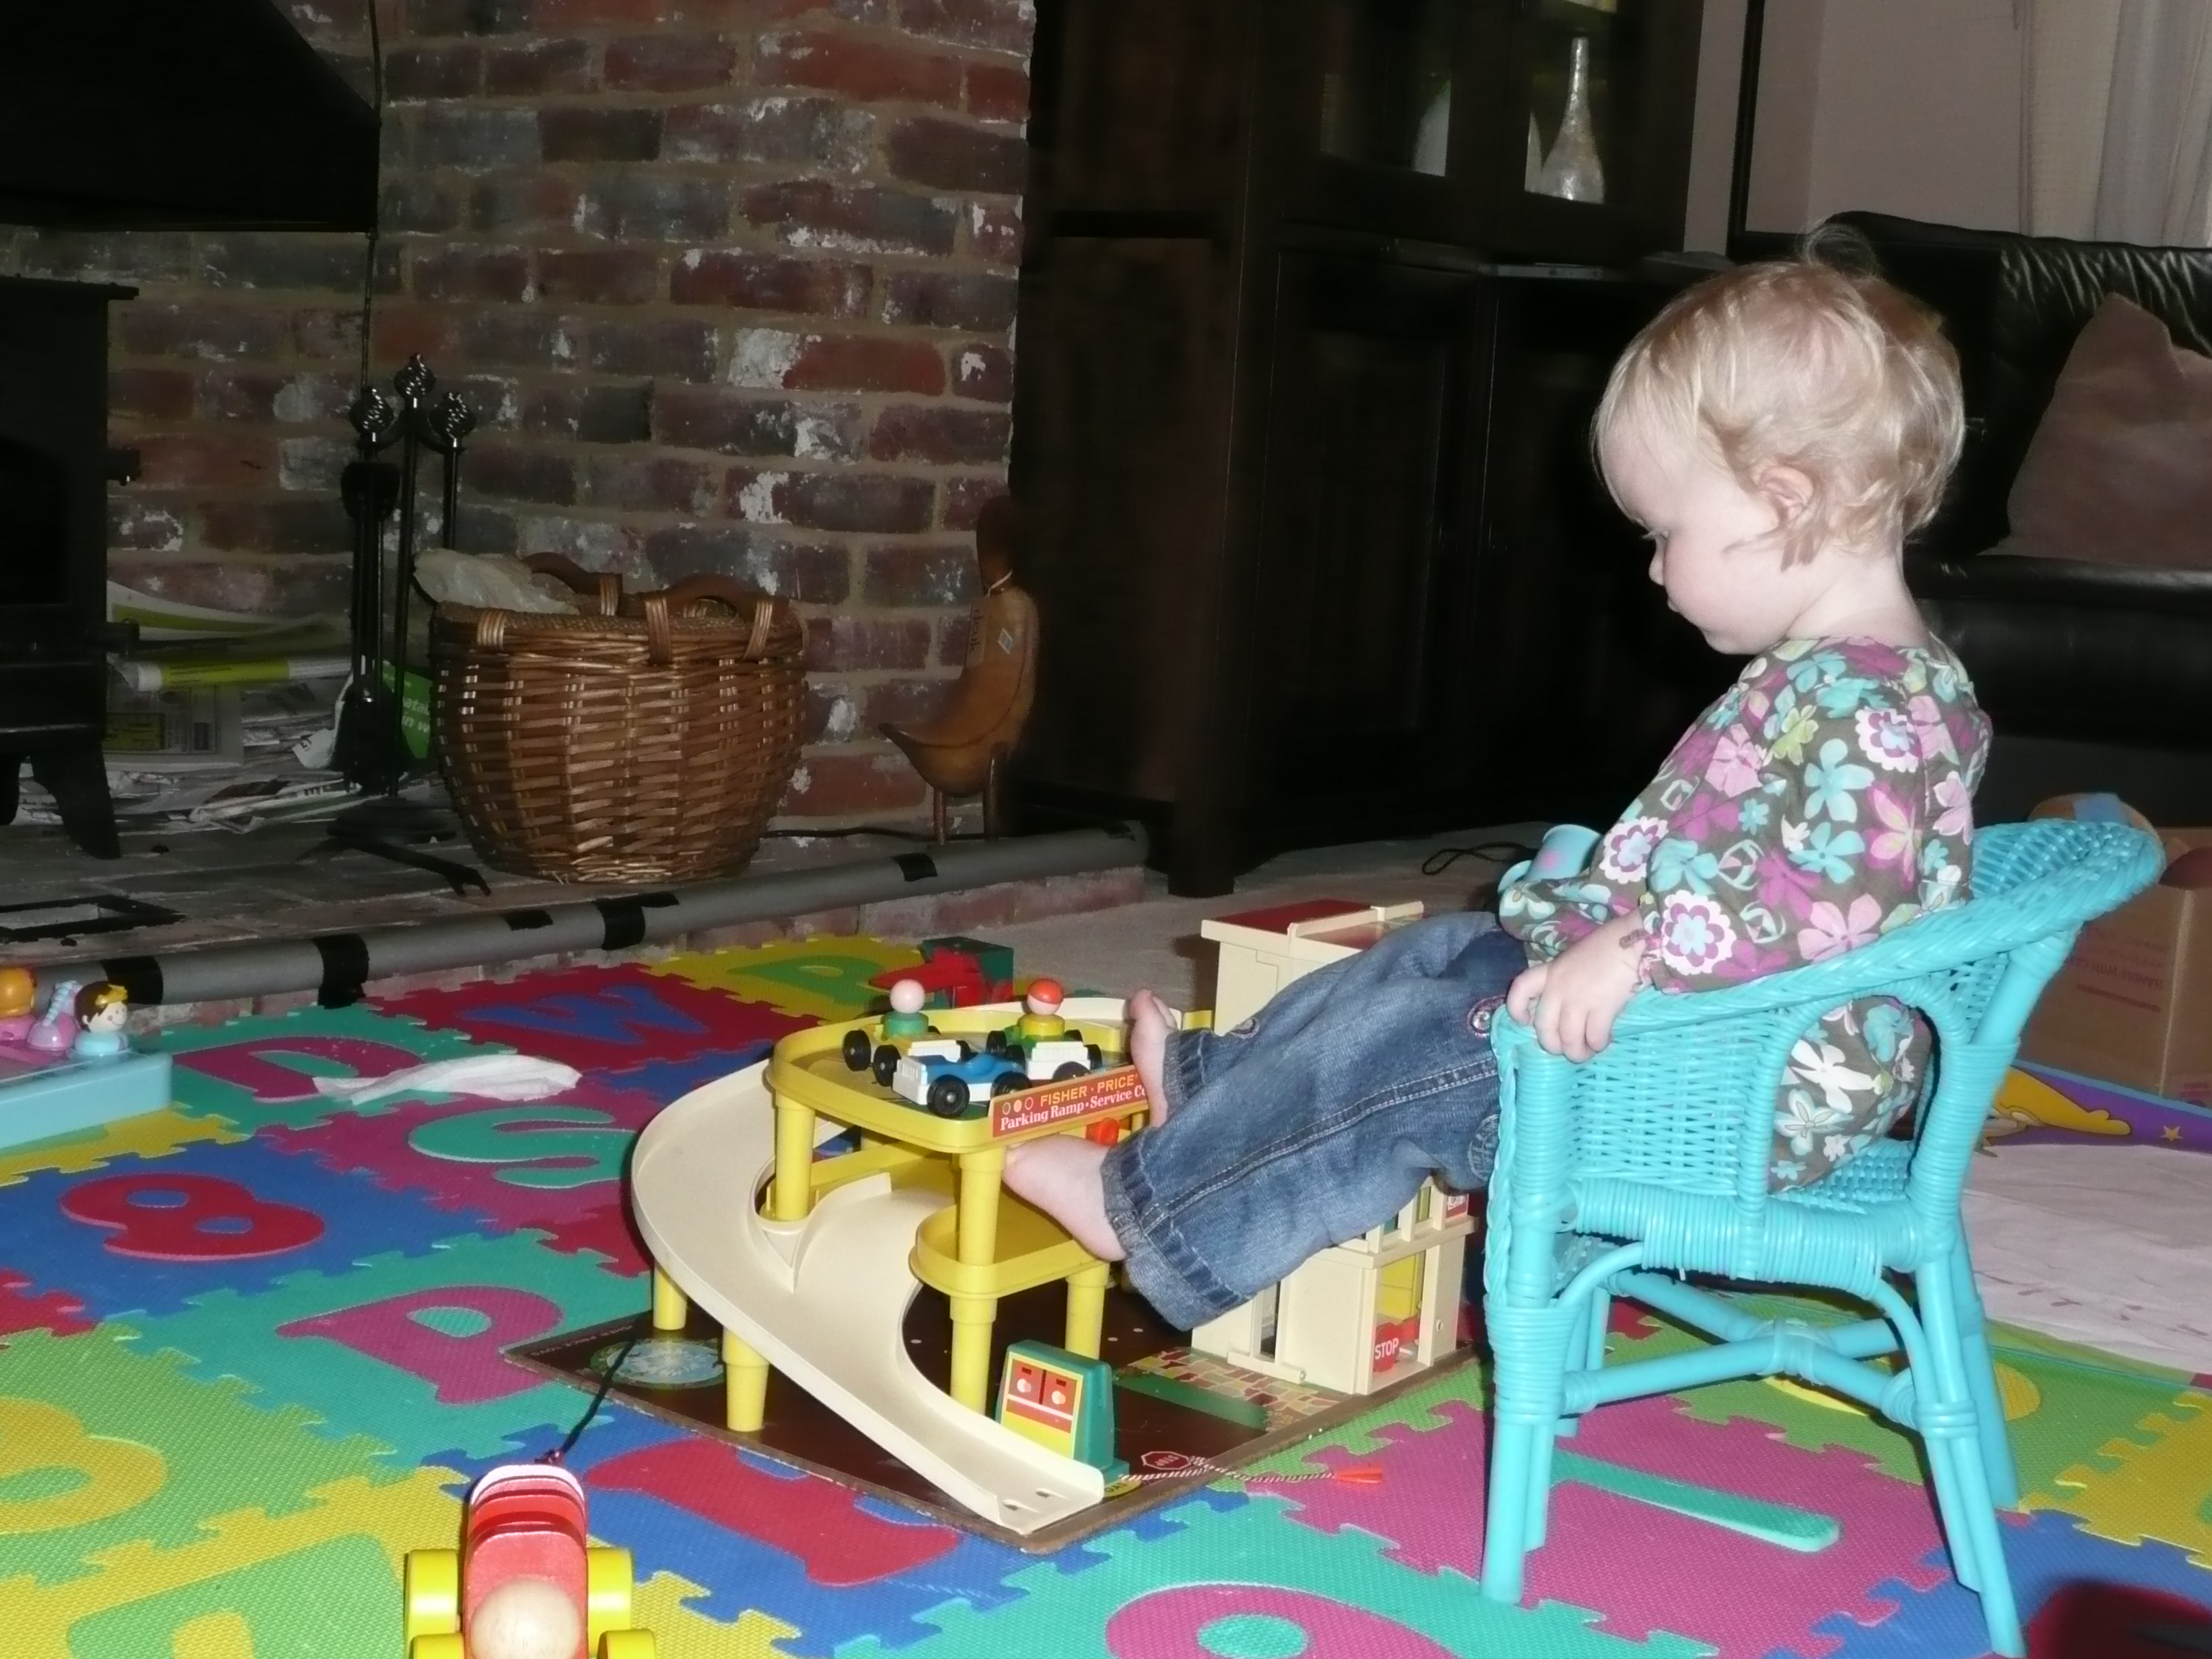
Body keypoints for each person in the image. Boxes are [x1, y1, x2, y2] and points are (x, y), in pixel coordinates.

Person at [1004, 233, 1991, 1331]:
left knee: (1422, 1050)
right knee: (1439, 956)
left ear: (1783, 502)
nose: (1654, 566)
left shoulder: (1869, 710)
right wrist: (1608, 913)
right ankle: (1212, 1090)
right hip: (1704, 1033)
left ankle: (1159, 1210)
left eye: (1667, 532)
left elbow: (1825, 905)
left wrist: (1643, 946)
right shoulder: (1863, 678)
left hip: (1735, 1089)